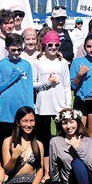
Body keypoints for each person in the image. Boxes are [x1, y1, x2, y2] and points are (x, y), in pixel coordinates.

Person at [1, 107, 62, 184]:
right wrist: (14, 157)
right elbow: (7, 170)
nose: (29, 125)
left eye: (31, 121)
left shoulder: (38, 144)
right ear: (18, 123)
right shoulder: (8, 142)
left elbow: (40, 170)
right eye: (25, 121)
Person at [32, 30, 71, 172]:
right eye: (50, 45)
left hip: (60, 106)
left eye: (56, 45)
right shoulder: (37, 62)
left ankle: (61, 167)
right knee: (44, 139)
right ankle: (45, 169)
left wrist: (68, 106)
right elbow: (32, 84)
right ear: (44, 45)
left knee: (62, 138)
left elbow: (67, 86)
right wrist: (47, 83)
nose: (53, 48)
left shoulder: (63, 63)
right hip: (43, 107)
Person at [0, 33, 34, 150]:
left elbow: (29, 89)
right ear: (7, 48)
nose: (16, 53)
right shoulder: (1, 65)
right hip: (6, 111)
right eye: (13, 50)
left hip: (21, 109)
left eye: (19, 50)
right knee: (6, 142)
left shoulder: (26, 65)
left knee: (22, 142)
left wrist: (30, 110)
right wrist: (12, 78)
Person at [69, 35, 92, 151]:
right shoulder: (77, 63)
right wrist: (80, 75)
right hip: (81, 102)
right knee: (79, 134)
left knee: (91, 136)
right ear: (84, 47)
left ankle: (88, 160)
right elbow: (72, 85)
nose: (91, 49)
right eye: (89, 46)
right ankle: (75, 160)